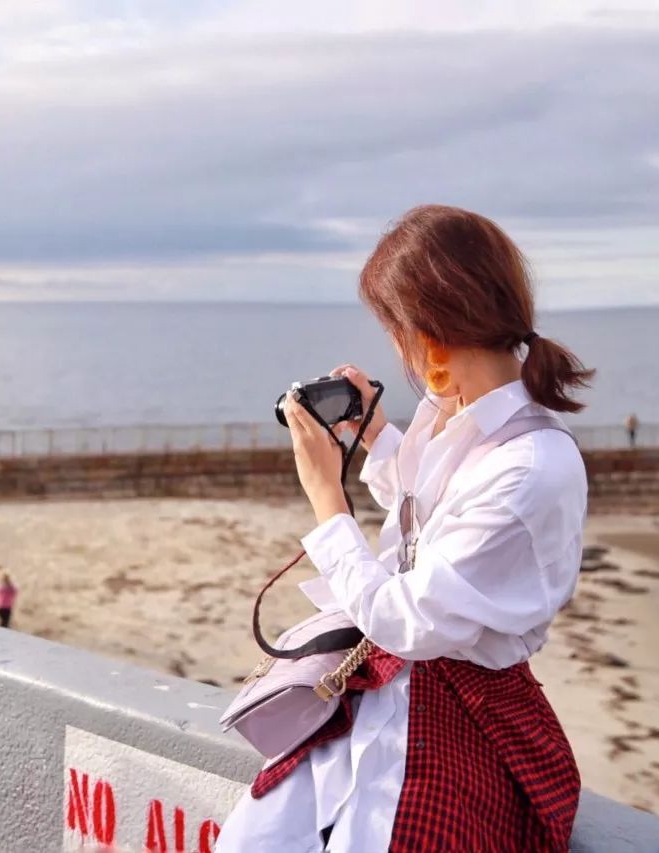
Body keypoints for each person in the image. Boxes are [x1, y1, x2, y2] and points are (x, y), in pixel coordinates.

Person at [217, 205, 591, 852]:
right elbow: (433, 523)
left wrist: (327, 498)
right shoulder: (461, 415)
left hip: (465, 711)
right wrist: (380, 437)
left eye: (396, 327)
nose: (396, 346)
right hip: (398, 684)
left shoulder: (532, 465)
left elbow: (405, 618)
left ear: (429, 332)